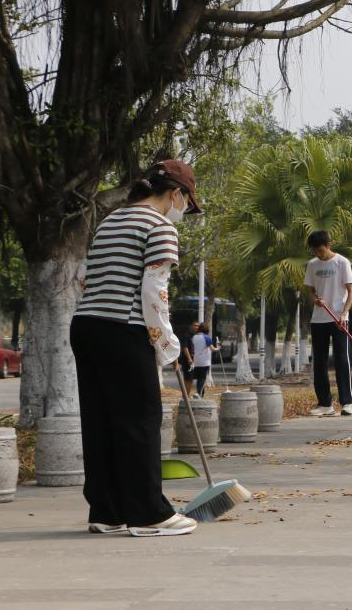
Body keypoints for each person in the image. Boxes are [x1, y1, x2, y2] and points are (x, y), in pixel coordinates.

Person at [70, 159, 203, 537]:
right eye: (186, 202)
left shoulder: (110, 221)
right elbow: (154, 292)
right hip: (124, 328)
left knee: (101, 421)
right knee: (140, 420)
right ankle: (149, 515)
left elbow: (84, 279)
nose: (183, 210)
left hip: (87, 325)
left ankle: (107, 511)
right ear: (175, 194)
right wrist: (167, 343)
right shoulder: (159, 226)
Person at [303, 230, 352, 416]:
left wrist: (344, 313)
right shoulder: (312, 265)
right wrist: (315, 300)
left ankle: (347, 403)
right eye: (314, 251)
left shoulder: (342, 262)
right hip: (319, 318)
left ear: (328, 245)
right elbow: (311, 291)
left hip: (339, 319)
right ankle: (325, 404)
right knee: (319, 361)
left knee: (342, 359)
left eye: (320, 250)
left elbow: (351, 292)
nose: (318, 254)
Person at [190, 324, 220, 397]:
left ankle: (201, 393)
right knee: (202, 378)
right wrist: (218, 348)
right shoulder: (206, 337)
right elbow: (212, 348)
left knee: (199, 378)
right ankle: (198, 393)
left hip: (196, 361)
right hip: (204, 361)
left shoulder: (194, 337)